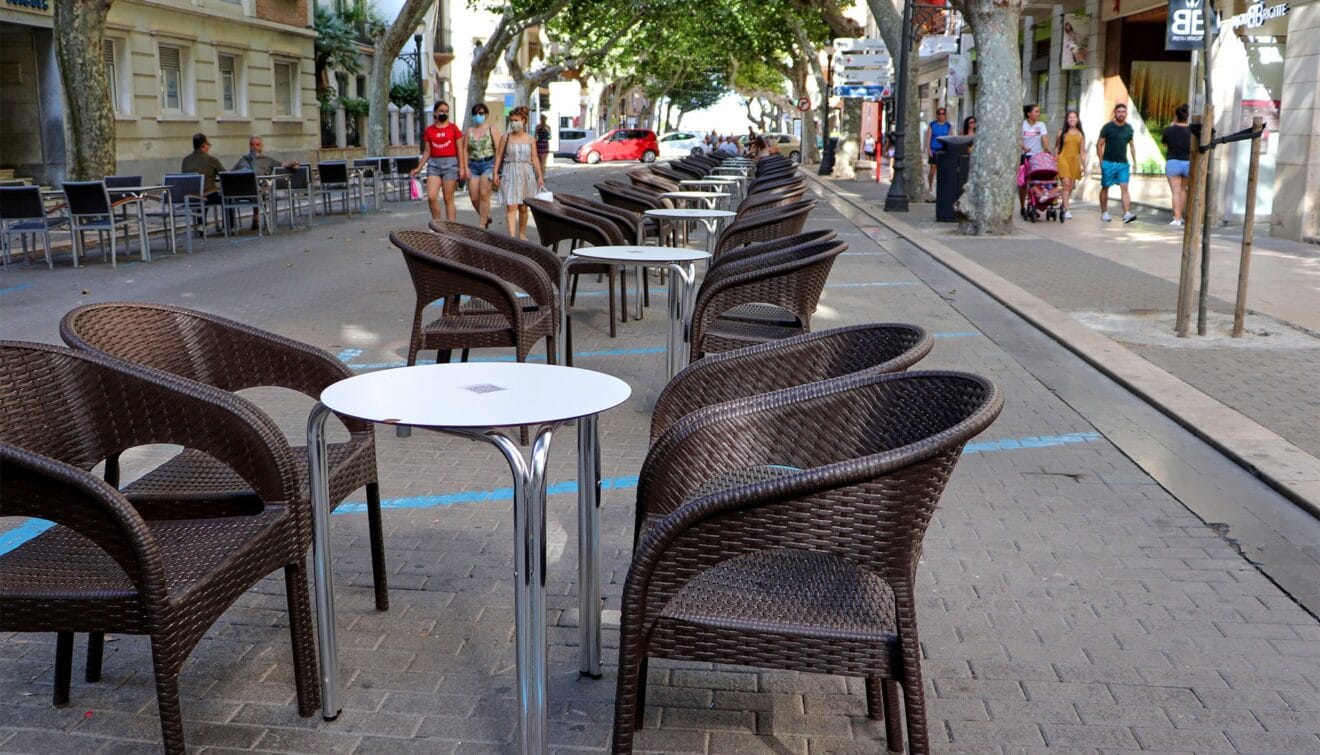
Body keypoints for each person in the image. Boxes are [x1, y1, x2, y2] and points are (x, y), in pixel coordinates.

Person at [493, 106, 544, 240]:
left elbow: (534, 158)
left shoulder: (530, 139)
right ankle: (512, 236)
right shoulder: (506, 137)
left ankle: (522, 233)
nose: (513, 123)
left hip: (526, 173)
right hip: (509, 172)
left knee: (523, 207)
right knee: (511, 205)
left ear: (523, 120)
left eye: (516, 120)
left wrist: (540, 176)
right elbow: (499, 156)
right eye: (511, 120)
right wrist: (495, 173)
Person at [231, 135, 298, 229]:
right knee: (226, 194)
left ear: (261, 146)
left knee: (259, 190)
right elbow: (231, 173)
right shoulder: (243, 159)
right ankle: (230, 226)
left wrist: (292, 164)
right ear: (249, 146)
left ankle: (256, 219)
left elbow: (281, 164)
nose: (254, 147)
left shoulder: (267, 160)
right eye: (252, 145)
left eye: (257, 145)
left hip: (258, 189)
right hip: (242, 190)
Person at [1096, 102, 1138, 223]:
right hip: (1108, 162)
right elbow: (1099, 144)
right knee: (1105, 187)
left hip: (1123, 164)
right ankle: (1104, 212)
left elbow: (1131, 145)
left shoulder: (1129, 128)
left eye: (1123, 112)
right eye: (1119, 112)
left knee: (1124, 187)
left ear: (1126, 113)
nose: (1121, 114)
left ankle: (1127, 214)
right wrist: (1101, 161)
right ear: (1115, 113)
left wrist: (1135, 162)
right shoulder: (1107, 127)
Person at [465, 103, 501, 229]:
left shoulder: (492, 129)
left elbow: (499, 151)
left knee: (484, 194)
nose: (478, 116)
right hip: (473, 165)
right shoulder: (469, 131)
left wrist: (496, 170)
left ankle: (481, 226)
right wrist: (465, 167)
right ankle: (485, 217)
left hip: (488, 164)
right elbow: (465, 150)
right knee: (474, 198)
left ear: (486, 115)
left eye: (480, 113)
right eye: (475, 114)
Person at [181, 132, 226, 231]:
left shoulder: (185, 160)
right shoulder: (211, 159)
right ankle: (228, 225)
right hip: (207, 195)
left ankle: (201, 224)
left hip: (191, 196)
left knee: (199, 192)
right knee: (227, 198)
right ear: (204, 145)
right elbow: (225, 175)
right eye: (208, 145)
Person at [1163, 104, 1191, 227]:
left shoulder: (1169, 130)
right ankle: (1181, 216)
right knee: (1183, 190)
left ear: (1176, 116)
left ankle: (1177, 218)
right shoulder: (1192, 130)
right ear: (1187, 117)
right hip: (1188, 162)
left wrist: (1171, 125)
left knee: (1175, 191)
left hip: (1173, 162)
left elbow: (1165, 144)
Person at [1020, 103, 1050, 218]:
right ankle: (1022, 206)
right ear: (1029, 113)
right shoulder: (1022, 125)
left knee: (1036, 182)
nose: (1038, 114)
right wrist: (1023, 147)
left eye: (1039, 112)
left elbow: (1045, 138)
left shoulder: (1041, 125)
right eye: (1036, 112)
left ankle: (1033, 205)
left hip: (1037, 157)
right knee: (1023, 183)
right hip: (1025, 156)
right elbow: (1019, 139)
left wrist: (1046, 148)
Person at [1055, 110, 1085, 220]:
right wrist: (1055, 160)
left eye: (1074, 117)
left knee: (1070, 186)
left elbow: (1082, 152)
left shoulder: (1081, 134)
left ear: (1077, 119)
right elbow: (1057, 148)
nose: (1072, 119)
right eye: (1070, 117)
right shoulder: (1061, 132)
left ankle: (1064, 204)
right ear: (1067, 120)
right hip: (1063, 159)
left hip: (1074, 161)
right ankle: (1067, 210)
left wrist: (1084, 166)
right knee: (1066, 183)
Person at [926, 106, 953, 196]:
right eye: (939, 113)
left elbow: (950, 138)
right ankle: (930, 187)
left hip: (943, 150)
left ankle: (941, 189)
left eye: (943, 113)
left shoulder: (948, 126)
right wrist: (928, 149)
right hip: (934, 150)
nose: (941, 115)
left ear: (945, 115)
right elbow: (928, 137)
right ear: (937, 115)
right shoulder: (932, 124)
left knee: (942, 171)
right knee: (932, 171)